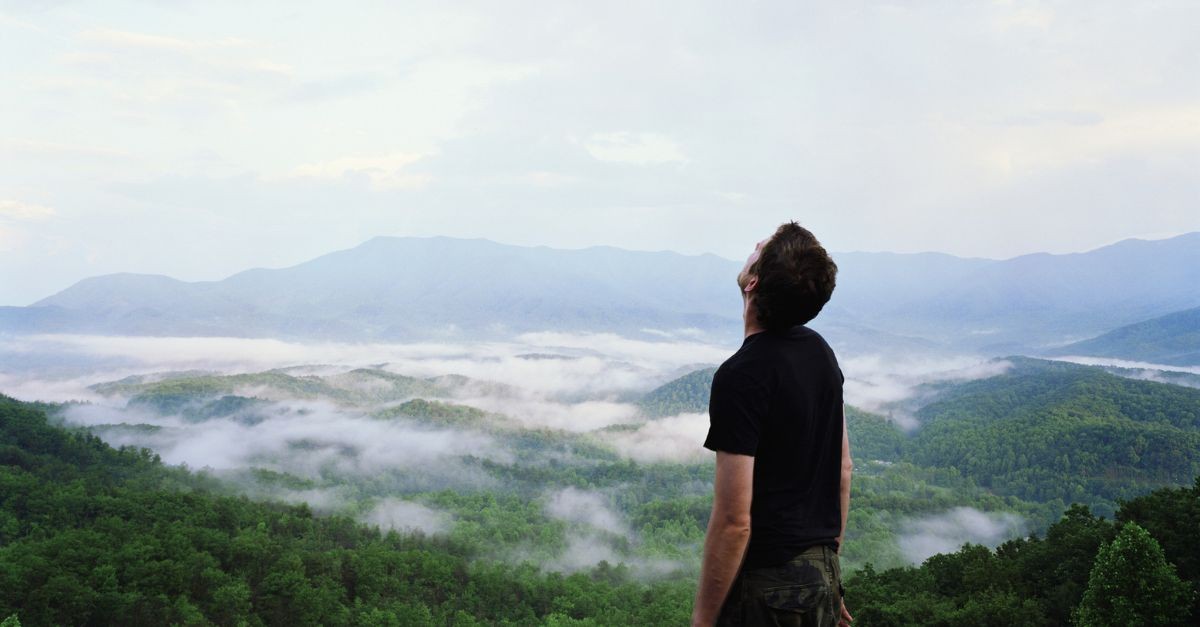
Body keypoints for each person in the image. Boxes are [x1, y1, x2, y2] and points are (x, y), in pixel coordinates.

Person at [692, 222, 853, 627]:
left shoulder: (742, 376)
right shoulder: (820, 352)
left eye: (759, 249)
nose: (755, 245)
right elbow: (843, 470)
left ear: (753, 283)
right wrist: (826, 576)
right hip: (820, 577)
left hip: (768, 592)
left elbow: (734, 522)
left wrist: (703, 620)